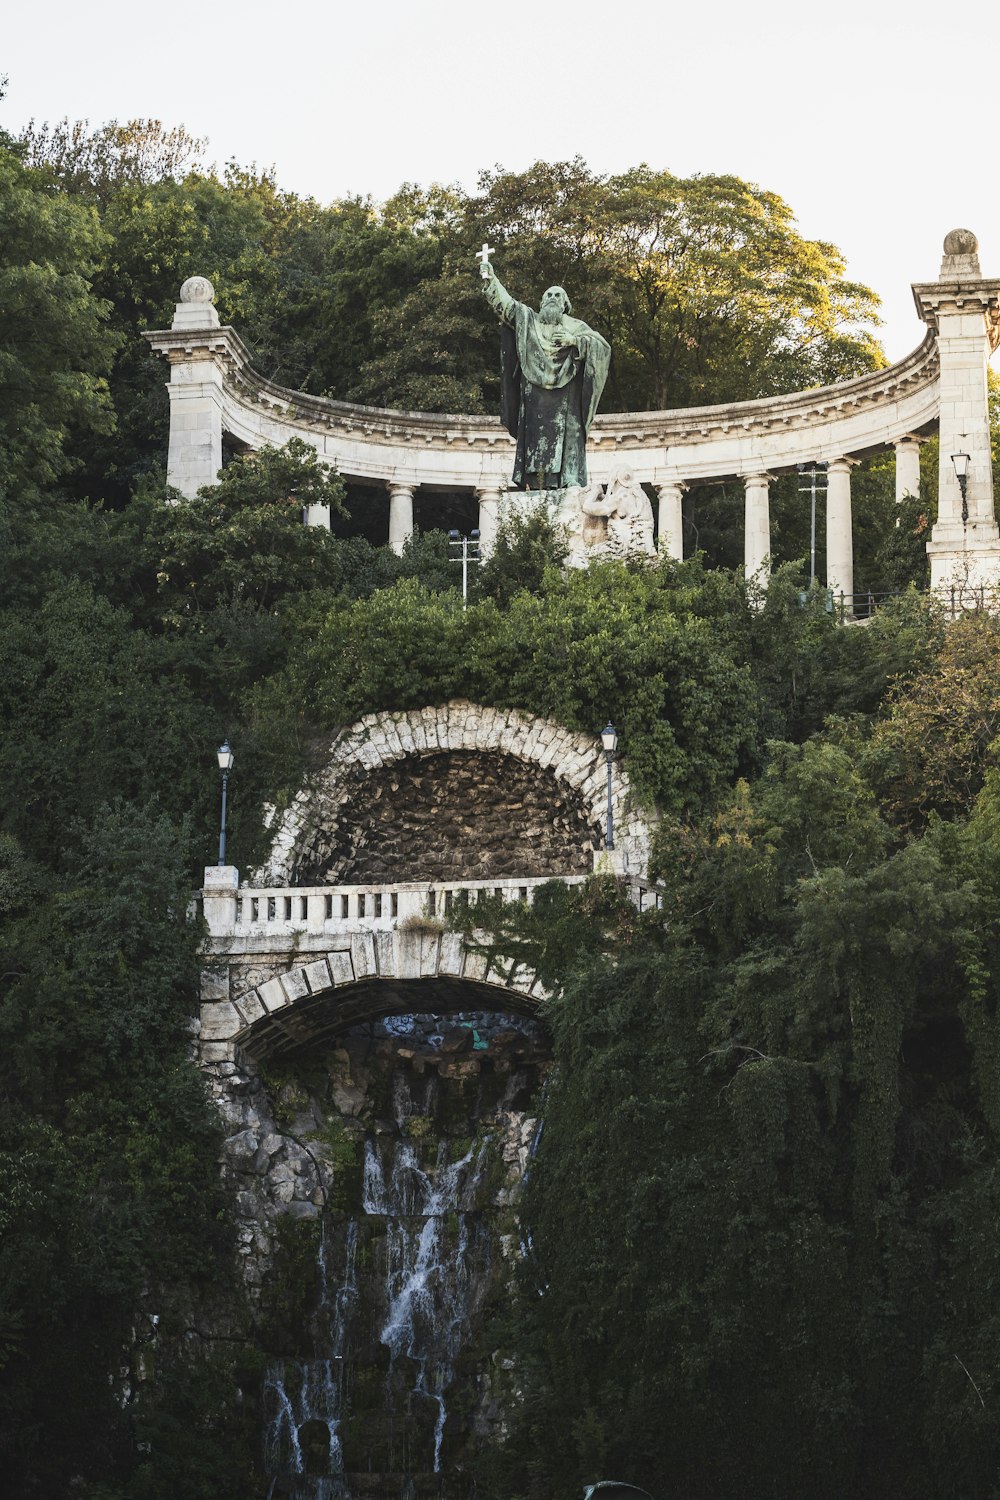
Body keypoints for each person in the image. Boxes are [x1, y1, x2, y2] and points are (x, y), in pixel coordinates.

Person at [481, 261, 611, 490]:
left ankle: (569, 478)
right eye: (548, 294)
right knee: (533, 434)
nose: (552, 297)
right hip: (534, 391)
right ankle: (536, 481)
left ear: (565, 305)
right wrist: (492, 280)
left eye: (558, 295)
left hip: (567, 390)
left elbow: (603, 348)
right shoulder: (528, 320)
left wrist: (575, 342)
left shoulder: (577, 326)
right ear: (542, 302)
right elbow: (507, 305)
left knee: (571, 429)